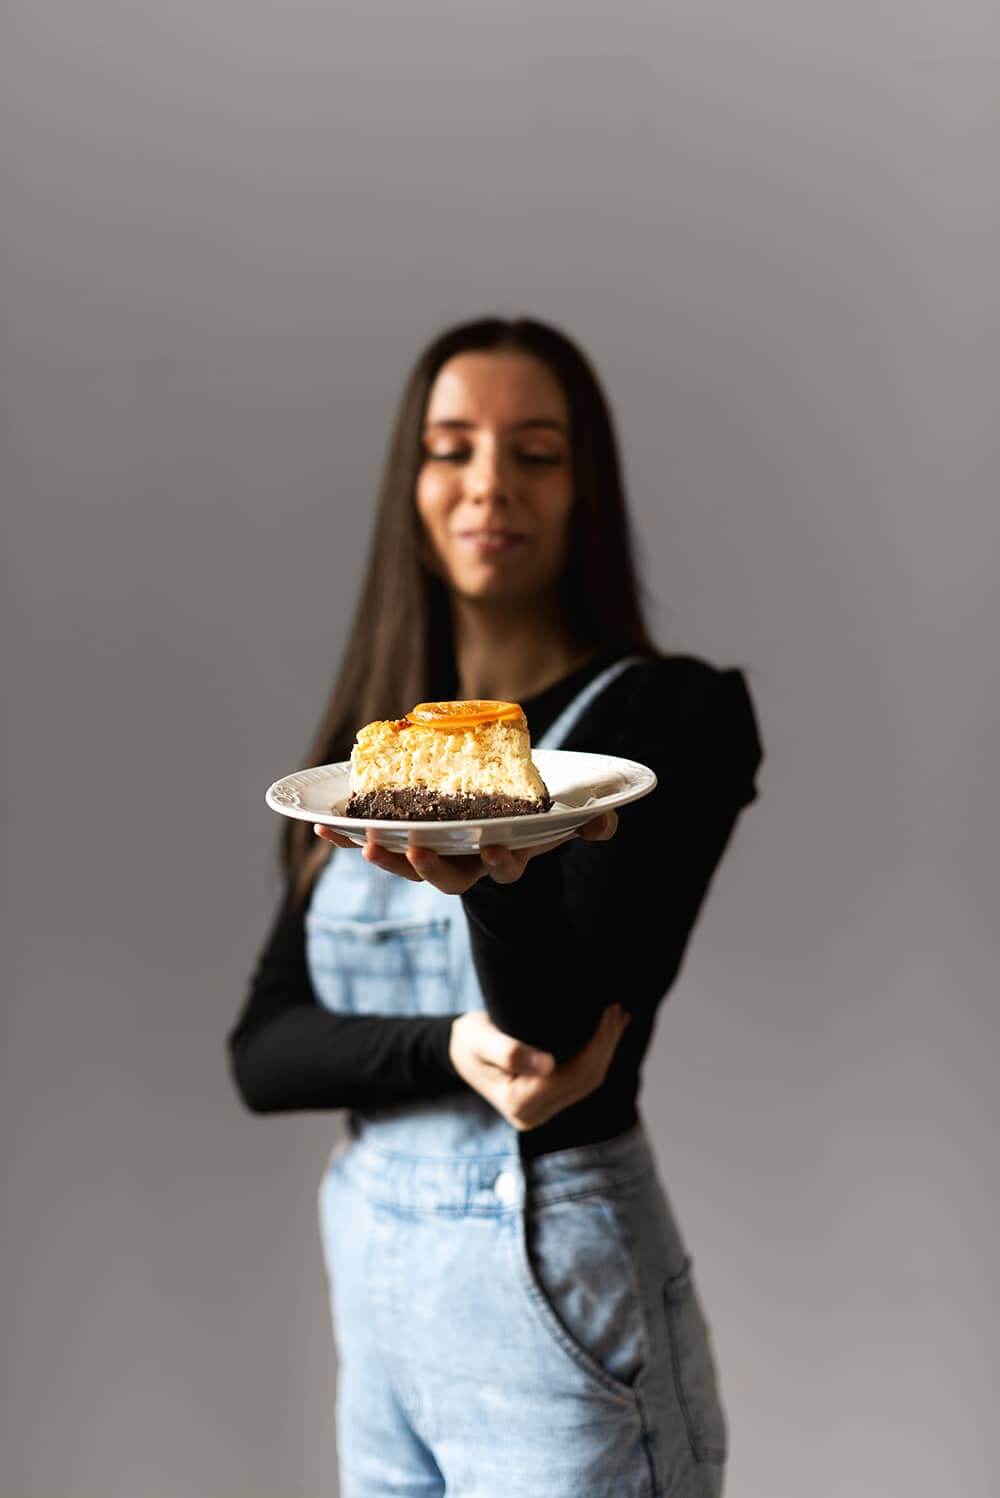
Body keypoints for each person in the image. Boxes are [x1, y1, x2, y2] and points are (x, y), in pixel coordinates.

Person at [227, 316, 764, 1497]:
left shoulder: (661, 722)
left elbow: (560, 1036)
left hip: (553, 1296)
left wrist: (496, 879)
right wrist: (447, 1047)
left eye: (535, 450)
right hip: (379, 1311)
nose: (488, 485)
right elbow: (264, 1052)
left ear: (585, 488)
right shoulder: (374, 755)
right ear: (410, 484)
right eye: (451, 445)